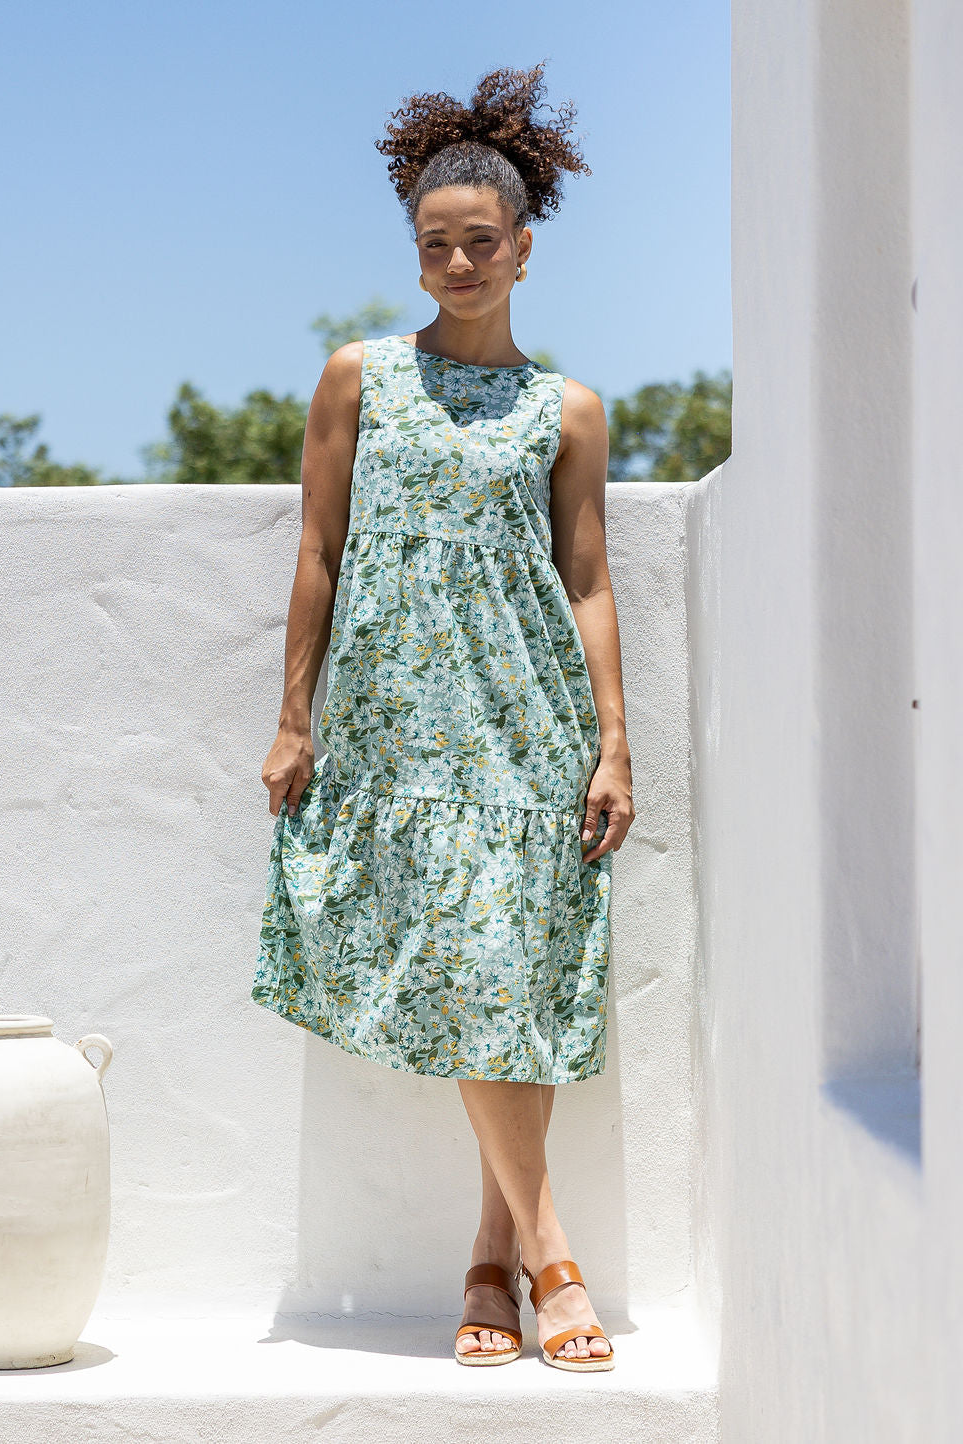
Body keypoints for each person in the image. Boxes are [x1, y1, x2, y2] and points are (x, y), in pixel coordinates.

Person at [251, 61, 634, 1372]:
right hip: (399, 730)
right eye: (434, 245)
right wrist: (295, 719)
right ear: (414, 253)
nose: (458, 264)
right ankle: (546, 1254)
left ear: (524, 247)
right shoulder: (357, 378)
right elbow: (318, 551)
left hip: (528, 728)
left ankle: (495, 1257)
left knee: (506, 982)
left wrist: (612, 741)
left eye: (480, 242)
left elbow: (587, 580)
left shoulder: (566, 409)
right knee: (476, 975)